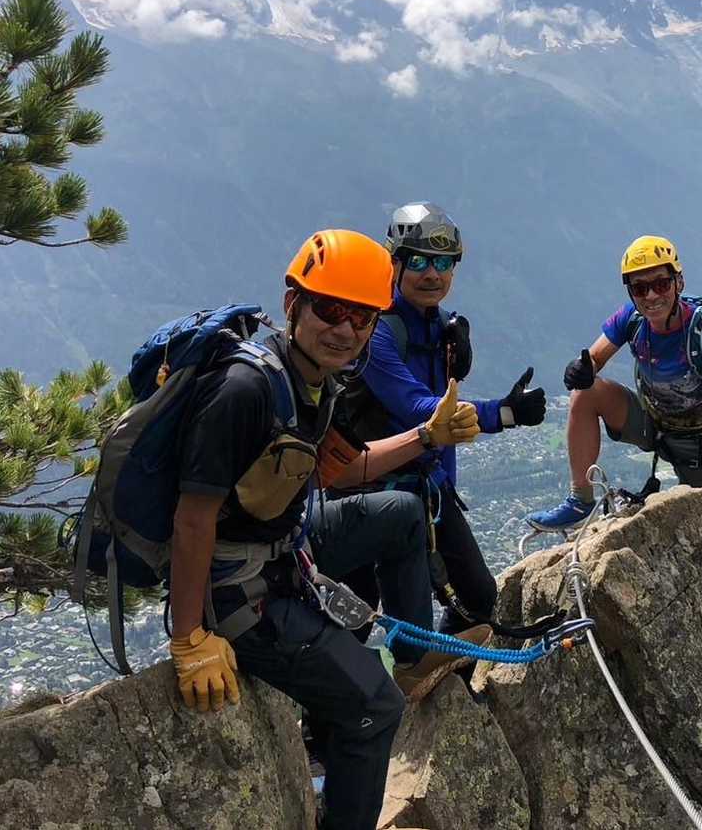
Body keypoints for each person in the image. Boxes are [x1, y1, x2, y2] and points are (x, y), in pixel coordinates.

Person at [165, 229, 481, 830]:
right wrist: (189, 639)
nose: (346, 329)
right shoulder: (245, 390)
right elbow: (192, 518)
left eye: (362, 318)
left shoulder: (315, 380)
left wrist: (427, 437)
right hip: (234, 588)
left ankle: (412, 658)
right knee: (374, 707)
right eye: (331, 310)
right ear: (293, 305)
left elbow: (339, 469)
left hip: (288, 545)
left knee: (401, 513)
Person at [334, 203, 547, 632]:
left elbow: (440, 418)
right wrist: (503, 413)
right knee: (357, 616)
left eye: (443, 263)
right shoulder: (374, 330)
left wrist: (446, 487)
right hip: (366, 488)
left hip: (426, 486)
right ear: (394, 263)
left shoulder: (444, 328)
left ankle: (443, 673)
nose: (432, 274)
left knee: (479, 600)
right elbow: (419, 408)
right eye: (418, 261)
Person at [526, 234, 702, 533]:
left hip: (700, 443)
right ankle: (580, 501)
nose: (651, 296)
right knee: (585, 392)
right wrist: (581, 369)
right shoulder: (631, 319)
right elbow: (594, 358)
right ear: (631, 293)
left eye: (661, 284)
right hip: (656, 425)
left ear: (678, 283)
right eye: (640, 288)